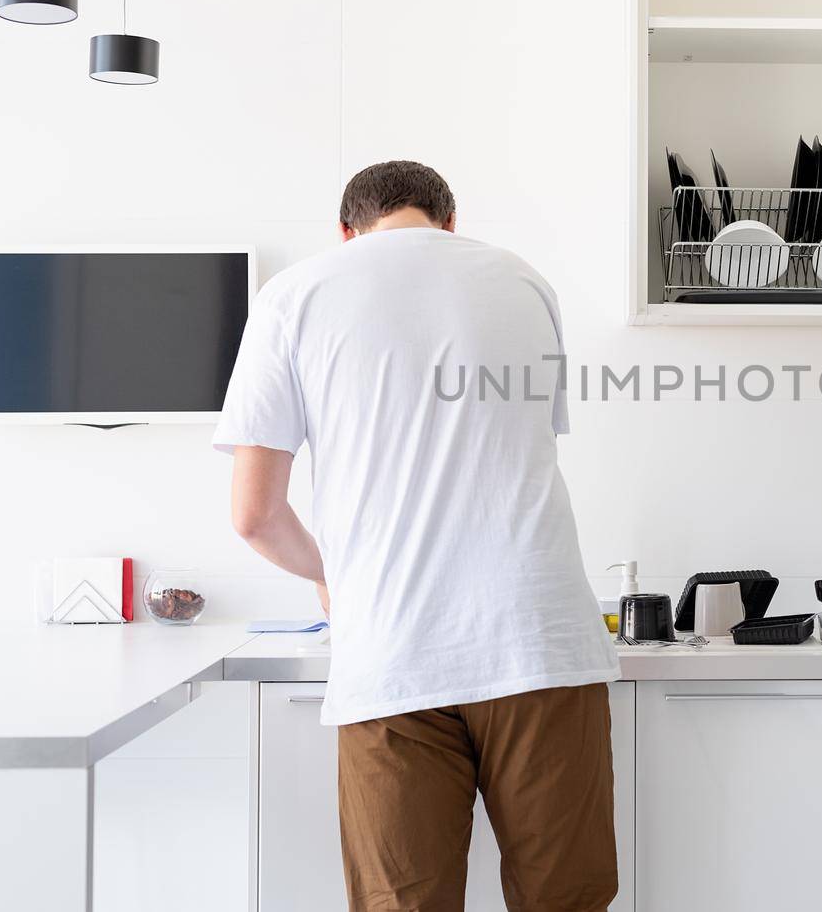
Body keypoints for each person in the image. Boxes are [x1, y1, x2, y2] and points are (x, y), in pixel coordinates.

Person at [214, 160, 620, 911]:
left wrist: (333, 577)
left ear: (345, 232)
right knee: (566, 900)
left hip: (391, 652)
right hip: (540, 638)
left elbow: (255, 516)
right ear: (449, 221)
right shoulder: (524, 282)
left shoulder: (294, 297)